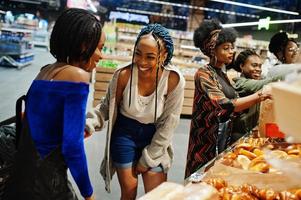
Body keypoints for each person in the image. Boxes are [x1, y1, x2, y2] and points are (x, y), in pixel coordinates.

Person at [4, 8, 105, 200]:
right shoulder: (78, 77)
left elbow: (37, 120)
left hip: (22, 175)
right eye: (99, 47)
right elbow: (72, 147)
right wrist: (88, 193)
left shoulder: (45, 71)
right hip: (47, 185)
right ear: (84, 45)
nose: (101, 55)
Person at [85, 24, 185, 200]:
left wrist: (148, 159)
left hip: (156, 136)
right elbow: (106, 107)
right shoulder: (123, 75)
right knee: (129, 192)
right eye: (138, 53)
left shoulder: (173, 80)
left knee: (157, 195)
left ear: (164, 56)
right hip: (124, 134)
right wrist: (88, 124)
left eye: (150, 57)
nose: (142, 62)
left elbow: (169, 123)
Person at [184, 19, 271, 178]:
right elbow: (225, 105)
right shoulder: (203, 74)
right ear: (212, 50)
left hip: (221, 138)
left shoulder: (223, 75)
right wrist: (260, 95)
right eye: (226, 48)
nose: (232, 51)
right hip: (205, 140)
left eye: (232, 47)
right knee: (199, 179)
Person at [231, 49, 284, 141]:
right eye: (254, 65)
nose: (258, 69)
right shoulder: (242, 83)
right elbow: (262, 84)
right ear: (242, 66)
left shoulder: (258, 81)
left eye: (260, 66)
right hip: (241, 135)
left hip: (255, 133)